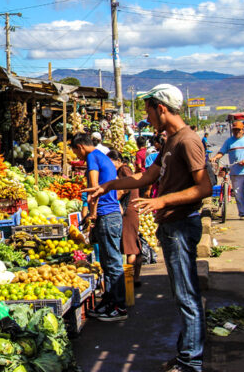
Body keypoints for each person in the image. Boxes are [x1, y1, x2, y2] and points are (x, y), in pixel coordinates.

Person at [84, 84, 211, 372]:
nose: (146, 115)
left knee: (187, 295)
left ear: (161, 108)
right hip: (171, 226)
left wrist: (162, 201)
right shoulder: (169, 142)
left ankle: (191, 362)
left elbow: (204, 187)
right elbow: (146, 177)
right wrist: (109, 185)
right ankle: (186, 354)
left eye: (148, 109)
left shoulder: (188, 141)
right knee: (182, 294)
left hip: (180, 225)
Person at [71, 134, 126, 322]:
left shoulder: (92, 157)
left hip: (107, 215)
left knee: (113, 263)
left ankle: (119, 306)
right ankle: (109, 303)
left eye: (75, 152)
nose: (77, 157)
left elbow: (94, 188)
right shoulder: (103, 156)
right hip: (111, 215)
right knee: (108, 263)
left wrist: (92, 214)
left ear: (80, 147)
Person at [107, 149, 142, 287]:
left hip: (128, 210)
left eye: (112, 163)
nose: (111, 166)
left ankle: (130, 280)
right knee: (133, 242)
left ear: (119, 161)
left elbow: (125, 188)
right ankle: (135, 278)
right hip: (132, 209)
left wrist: (115, 200)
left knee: (129, 246)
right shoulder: (125, 169)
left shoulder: (123, 170)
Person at [212, 121, 244, 220]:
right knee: (238, 193)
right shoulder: (229, 141)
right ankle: (242, 213)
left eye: (238, 129)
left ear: (243, 130)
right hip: (235, 172)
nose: (236, 131)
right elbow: (222, 152)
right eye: (234, 130)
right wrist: (215, 157)